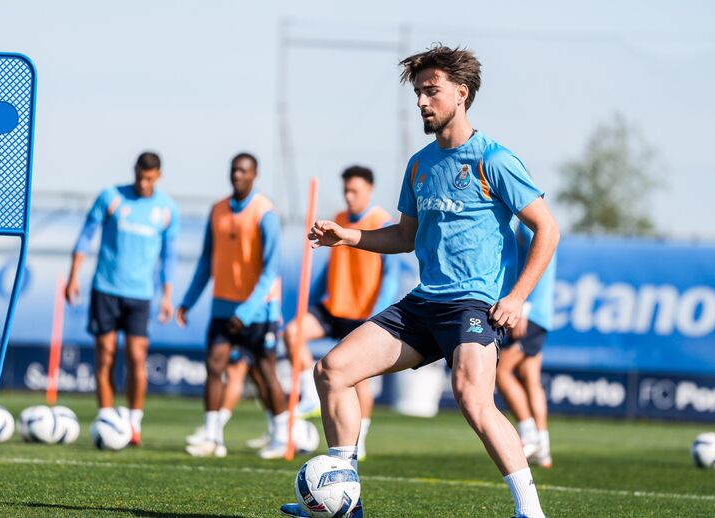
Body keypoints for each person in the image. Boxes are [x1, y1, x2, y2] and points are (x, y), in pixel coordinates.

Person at [280, 44, 559, 518]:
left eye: (431, 91)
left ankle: (530, 511)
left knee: (473, 398)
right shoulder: (419, 164)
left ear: (462, 93)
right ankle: (345, 499)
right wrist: (349, 237)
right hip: (423, 304)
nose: (421, 101)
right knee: (332, 371)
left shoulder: (494, 159)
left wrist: (516, 297)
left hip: (472, 305)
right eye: (418, 93)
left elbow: (547, 229)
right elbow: (405, 236)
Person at [177, 152, 290, 458]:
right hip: (223, 307)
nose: (237, 175)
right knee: (214, 366)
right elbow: (206, 262)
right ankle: (212, 438)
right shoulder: (217, 210)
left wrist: (247, 311)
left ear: (255, 175)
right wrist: (187, 302)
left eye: (244, 171)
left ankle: (282, 437)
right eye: (234, 170)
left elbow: (270, 271)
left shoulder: (265, 213)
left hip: (260, 310)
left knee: (265, 372)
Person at [284, 165, 399, 460]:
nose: (349, 196)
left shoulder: (382, 221)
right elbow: (332, 265)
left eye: (354, 191)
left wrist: (378, 313)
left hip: (363, 314)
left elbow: (391, 274)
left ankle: (362, 437)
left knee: (359, 378)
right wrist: (312, 298)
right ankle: (311, 396)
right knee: (293, 333)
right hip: (334, 307)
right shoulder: (338, 219)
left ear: (369, 190)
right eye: (346, 190)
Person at [65, 151, 180, 447]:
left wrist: (167, 296)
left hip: (140, 295)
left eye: (150, 179)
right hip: (106, 289)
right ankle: (106, 418)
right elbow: (86, 235)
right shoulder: (111, 197)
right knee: (105, 354)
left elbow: (169, 256)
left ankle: (133, 422)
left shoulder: (167, 210)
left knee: (137, 357)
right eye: (140, 177)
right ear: (134, 171)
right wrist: (73, 276)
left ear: (159, 176)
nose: (144, 183)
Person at [496, 222, 557, 468]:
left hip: (530, 313)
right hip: (541, 314)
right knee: (531, 378)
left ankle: (529, 435)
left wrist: (524, 307)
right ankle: (543, 447)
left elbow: (538, 265)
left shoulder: (530, 224)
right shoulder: (538, 221)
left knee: (501, 372)